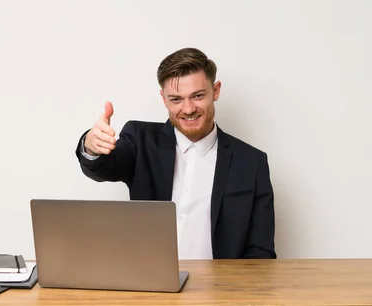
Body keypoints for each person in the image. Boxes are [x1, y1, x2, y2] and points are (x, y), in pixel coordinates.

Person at [74, 47, 276, 260]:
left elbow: (260, 253)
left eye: (197, 96)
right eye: (176, 99)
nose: (188, 109)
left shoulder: (251, 163)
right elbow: (103, 168)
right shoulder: (140, 140)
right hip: (150, 286)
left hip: (219, 290)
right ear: (163, 98)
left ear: (215, 91)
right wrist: (91, 146)